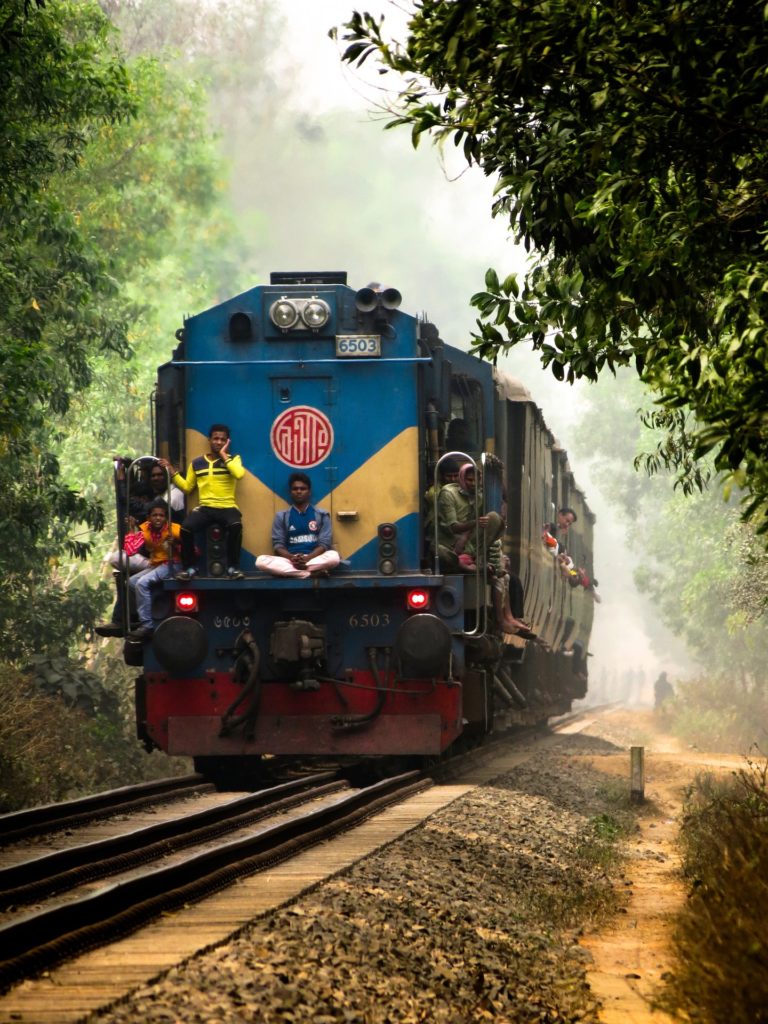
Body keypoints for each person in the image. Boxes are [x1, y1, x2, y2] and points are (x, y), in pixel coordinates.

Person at [437, 464, 532, 636]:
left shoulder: (478, 498)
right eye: (469, 479)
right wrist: (473, 527)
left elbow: (481, 525)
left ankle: (506, 619)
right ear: (461, 479)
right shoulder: (447, 494)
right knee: (448, 555)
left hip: (468, 545)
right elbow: (453, 527)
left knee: (501, 577)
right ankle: (466, 564)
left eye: (476, 480)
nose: (473, 483)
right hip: (448, 544)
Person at [159, 423, 245, 581]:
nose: (218, 442)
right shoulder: (197, 463)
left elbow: (239, 474)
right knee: (186, 529)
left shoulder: (233, 460)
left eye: (222, 440)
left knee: (236, 526)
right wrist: (172, 471)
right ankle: (190, 568)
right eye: (215, 439)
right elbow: (187, 487)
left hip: (227, 507)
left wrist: (224, 455)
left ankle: (233, 568)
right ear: (209, 440)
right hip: (205, 508)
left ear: (227, 442)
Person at [256, 472, 340, 578]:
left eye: (303, 489)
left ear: (309, 492)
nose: (299, 492)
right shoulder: (281, 516)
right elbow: (278, 545)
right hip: (291, 561)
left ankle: (297, 573)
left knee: (334, 556)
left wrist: (308, 558)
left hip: (314, 558)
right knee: (261, 561)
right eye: (295, 489)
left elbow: (325, 543)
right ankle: (309, 574)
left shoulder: (322, 515)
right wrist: (292, 558)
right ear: (290, 492)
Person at [125, 501, 182, 640]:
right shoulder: (145, 530)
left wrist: (176, 544)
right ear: (149, 517)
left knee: (142, 583)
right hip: (156, 564)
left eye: (161, 515)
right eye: (154, 515)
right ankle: (146, 613)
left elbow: (194, 551)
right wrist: (131, 530)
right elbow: (130, 550)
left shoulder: (175, 530)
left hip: (174, 563)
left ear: (166, 518)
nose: (158, 518)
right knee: (131, 582)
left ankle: (147, 625)